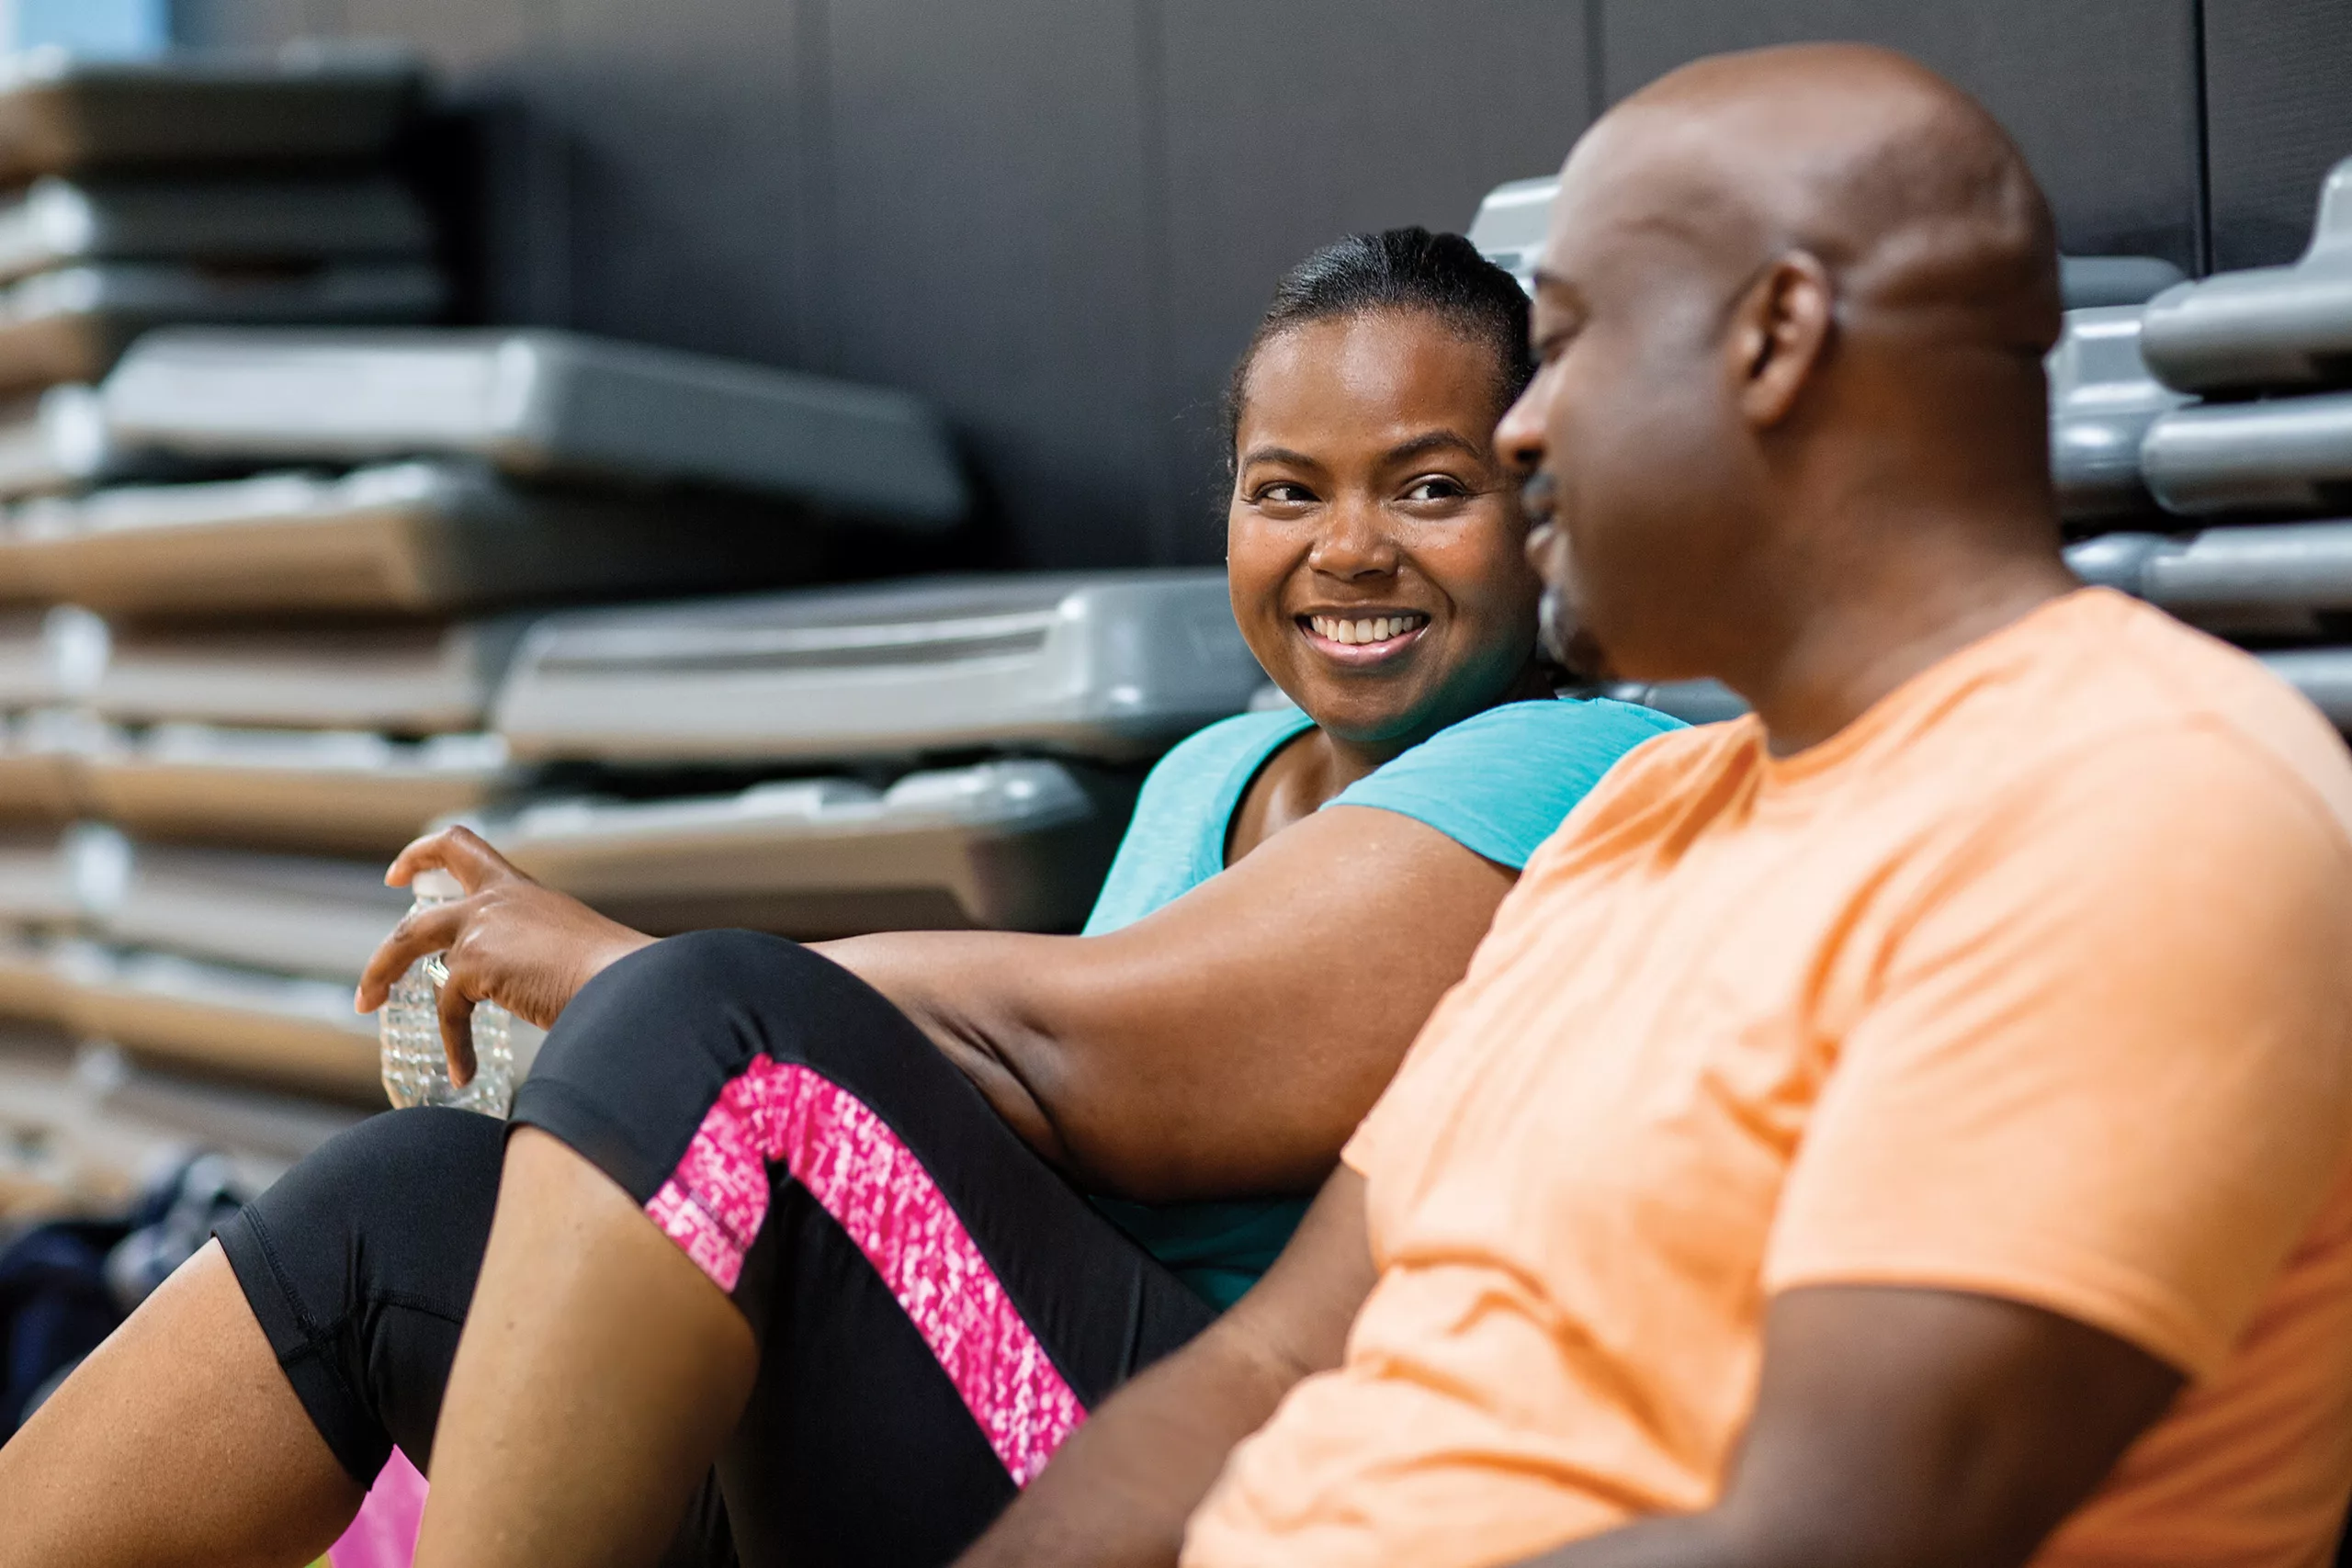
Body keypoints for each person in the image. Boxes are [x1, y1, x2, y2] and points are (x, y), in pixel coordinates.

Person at [0, 230, 1681, 1568]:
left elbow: (1099, 1071)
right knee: (408, 1203)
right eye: (1287, 489)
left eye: (1431, 487)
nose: (1349, 547)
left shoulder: (1562, 770)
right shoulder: (1209, 775)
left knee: (716, 1030)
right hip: (968, 1392)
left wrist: (618, 983)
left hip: (1169, 1477)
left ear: (1540, 519)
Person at [942, 44, 2352, 1568]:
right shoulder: (1639, 816)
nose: (1526, 432)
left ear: (1776, 339)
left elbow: (1834, 1536)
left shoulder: (2138, 804)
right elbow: (1263, 1368)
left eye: (1571, 348)